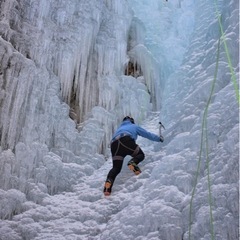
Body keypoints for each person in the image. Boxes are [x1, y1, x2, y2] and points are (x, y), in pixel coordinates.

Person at [103, 116, 164, 196]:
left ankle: (107, 187)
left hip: (114, 144)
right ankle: (132, 163)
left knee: (116, 168)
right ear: (131, 121)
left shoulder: (119, 129)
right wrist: (158, 139)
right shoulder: (133, 126)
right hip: (126, 140)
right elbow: (147, 134)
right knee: (140, 154)